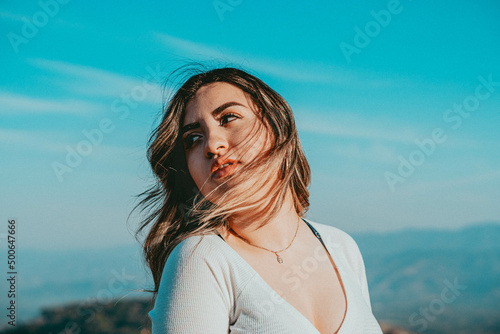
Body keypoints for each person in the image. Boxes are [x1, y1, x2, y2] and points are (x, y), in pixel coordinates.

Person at [136, 66, 383, 333]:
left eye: (228, 118)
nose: (211, 144)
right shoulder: (201, 258)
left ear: (277, 125)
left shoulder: (341, 247)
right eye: (193, 139)